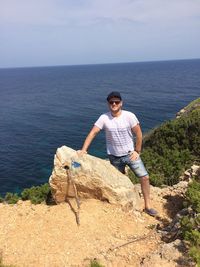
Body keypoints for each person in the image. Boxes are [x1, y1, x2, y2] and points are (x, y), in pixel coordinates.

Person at [78, 91, 157, 217]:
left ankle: (147, 206)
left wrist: (137, 151)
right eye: (111, 102)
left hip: (130, 154)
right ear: (108, 104)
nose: (114, 104)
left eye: (117, 102)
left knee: (144, 177)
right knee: (119, 182)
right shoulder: (104, 118)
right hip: (114, 157)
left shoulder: (129, 116)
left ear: (121, 103)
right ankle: (123, 207)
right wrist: (83, 150)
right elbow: (92, 133)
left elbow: (139, 133)